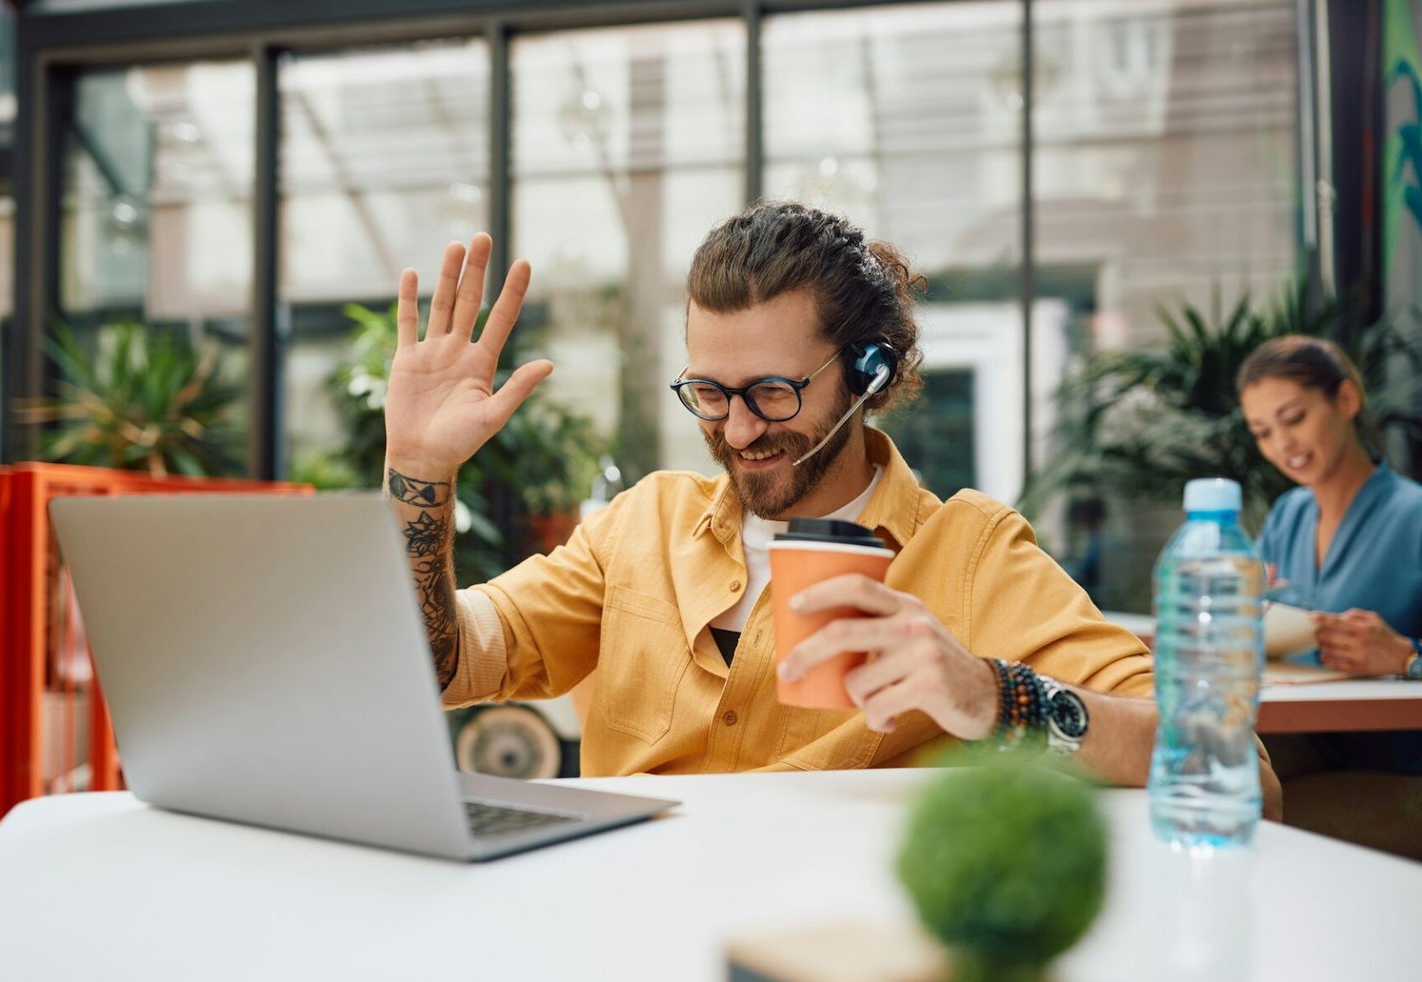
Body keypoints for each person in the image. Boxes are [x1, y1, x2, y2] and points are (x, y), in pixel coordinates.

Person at [382, 201, 1280, 812]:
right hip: (626, 928)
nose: (736, 431)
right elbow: (432, 665)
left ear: (871, 373)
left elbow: (1234, 768)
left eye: (772, 391)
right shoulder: (640, 527)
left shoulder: (967, 554)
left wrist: (990, 694)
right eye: (708, 390)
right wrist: (420, 472)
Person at [1239, 335, 1422, 789]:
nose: (1282, 444)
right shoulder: (1288, 517)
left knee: (1253, 806)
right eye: (1263, 432)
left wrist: (1407, 657)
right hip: (1308, 747)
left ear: (1346, 399)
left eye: (1294, 418)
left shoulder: (1414, 517)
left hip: (1397, 775)